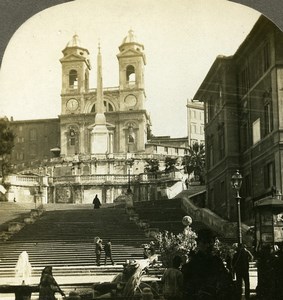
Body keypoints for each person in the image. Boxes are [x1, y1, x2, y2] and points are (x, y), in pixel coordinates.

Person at [182, 228, 234, 300]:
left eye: (210, 242)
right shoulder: (191, 265)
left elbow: (226, 287)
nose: (208, 245)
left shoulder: (217, 262)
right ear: (198, 243)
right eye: (204, 242)